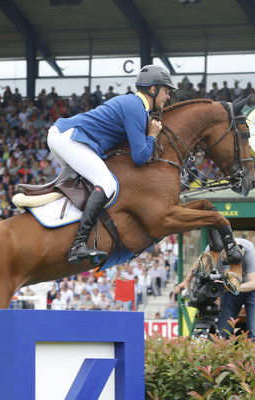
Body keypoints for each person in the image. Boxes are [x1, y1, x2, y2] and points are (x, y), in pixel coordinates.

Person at [47, 64, 175, 264]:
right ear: (153, 89)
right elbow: (140, 157)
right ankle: (78, 244)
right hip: (69, 138)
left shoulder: (136, 106)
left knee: (91, 184)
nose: (168, 97)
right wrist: (152, 135)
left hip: (65, 135)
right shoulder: (136, 108)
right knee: (107, 183)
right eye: (166, 91)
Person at [174, 237, 255, 341]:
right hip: (229, 289)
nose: (230, 264)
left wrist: (229, 287)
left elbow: (254, 284)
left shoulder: (248, 248)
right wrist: (187, 280)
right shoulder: (213, 248)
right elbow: (200, 261)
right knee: (223, 331)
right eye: (225, 261)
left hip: (251, 291)